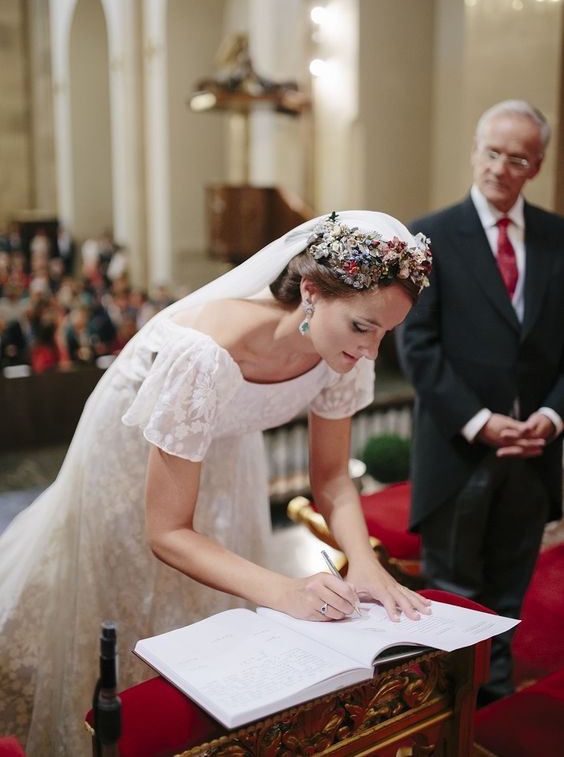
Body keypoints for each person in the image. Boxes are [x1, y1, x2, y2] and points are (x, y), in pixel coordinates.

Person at [0, 210, 432, 757]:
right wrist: (284, 589)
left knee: (214, 603)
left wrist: (365, 561)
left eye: (385, 334)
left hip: (228, 450)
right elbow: (168, 532)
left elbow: (331, 480)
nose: (371, 351)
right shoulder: (203, 354)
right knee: (126, 603)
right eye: (362, 328)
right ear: (312, 292)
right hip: (134, 458)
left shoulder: (342, 353)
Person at [396, 100, 564, 706]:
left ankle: (490, 714)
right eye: (490, 151)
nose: (499, 167)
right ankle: (444, 718)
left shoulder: (558, 238)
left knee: (508, 597)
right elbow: (417, 346)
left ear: (536, 166)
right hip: (457, 450)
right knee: (453, 598)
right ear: (474, 151)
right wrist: (479, 421)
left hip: (535, 453)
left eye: (515, 157)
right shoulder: (430, 236)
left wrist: (549, 417)